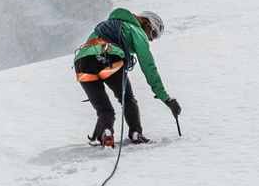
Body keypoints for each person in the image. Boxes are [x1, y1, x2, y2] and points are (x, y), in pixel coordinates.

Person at [74, 8, 180, 146]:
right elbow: (148, 65)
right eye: (153, 34)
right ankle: (135, 133)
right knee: (127, 99)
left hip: (82, 63)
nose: (150, 39)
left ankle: (105, 132)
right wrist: (165, 98)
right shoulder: (135, 29)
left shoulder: (107, 26)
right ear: (146, 24)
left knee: (104, 109)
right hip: (108, 58)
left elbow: (92, 50)